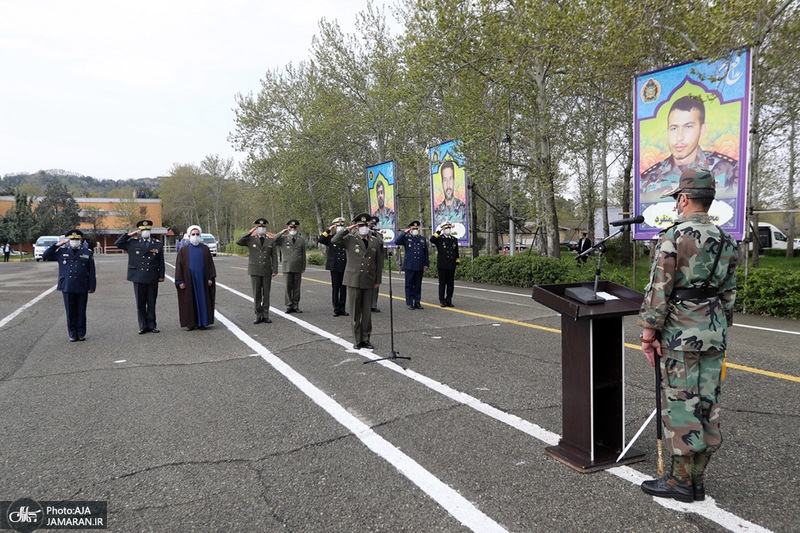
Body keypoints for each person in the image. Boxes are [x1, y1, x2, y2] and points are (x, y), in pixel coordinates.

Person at [638, 167, 738, 503]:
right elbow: (729, 295)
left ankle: (679, 483)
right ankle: (697, 480)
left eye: (677, 200)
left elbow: (659, 292)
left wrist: (648, 335)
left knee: (682, 403)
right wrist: (718, 329)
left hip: (680, 335)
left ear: (684, 198)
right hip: (714, 332)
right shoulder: (726, 240)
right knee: (708, 403)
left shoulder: (673, 237)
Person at [641, 96, 738, 202]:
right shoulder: (647, 179)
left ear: (702, 129)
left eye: (688, 127)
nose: (679, 137)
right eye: (674, 128)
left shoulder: (728, 170)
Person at [331, 213, 384, 350]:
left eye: (365, 225)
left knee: (367, 313)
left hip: (369, 279)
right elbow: (334, 240)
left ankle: (366, 338)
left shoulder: (374, 241)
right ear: (356, 227)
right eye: (360, 225)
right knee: (355, 312)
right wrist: (348, 229)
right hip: (354, 279)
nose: (363, 228)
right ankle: (357, 339)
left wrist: (378, 280)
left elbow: (379, 262)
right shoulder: (350, 239)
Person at [42, 229, 96, 341]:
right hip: (67, 285)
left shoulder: (87, 253)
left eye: (77, 239)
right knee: (70, 311)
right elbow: (46, 255)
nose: (74, 241)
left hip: (82, 285)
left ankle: (81, 333)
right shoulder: (62, 252)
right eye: (72, 239)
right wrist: (58, 244)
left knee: (81, 311)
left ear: (81, 240)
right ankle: (72, 333)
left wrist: (92, 286)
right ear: (68, 240)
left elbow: (91, 272)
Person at [115, 220, 165, 334]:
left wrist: (161, 275)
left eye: (147, 230)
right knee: (140, 303)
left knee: (152, 303)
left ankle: (152, 325)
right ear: (140, 231)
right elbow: (118, 243)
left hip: (152, 276)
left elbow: (161, 261)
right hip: (138, 277)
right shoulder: (133, 242)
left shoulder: (157, 244)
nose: (146, 232)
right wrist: (129, 235)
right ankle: (142, 326)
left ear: (150, 231)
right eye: (143, 230)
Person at [236, 217, 279, 324]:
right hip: (255, 270)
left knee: (266, 294)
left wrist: (275, 270)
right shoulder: (250, 239)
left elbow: (274, 256)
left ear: (266, 227)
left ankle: (265, 315)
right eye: (259, 226)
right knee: (257, 294)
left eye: (263, 226)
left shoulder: (270, 240)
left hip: (266, 270)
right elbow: (239, 241)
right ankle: (258, 315)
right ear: (256, 228)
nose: (261, 228)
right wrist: (250, 232)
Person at [174, 225, 216, 330]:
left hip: (202, 280)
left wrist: (210, 278)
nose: (195, 236)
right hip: (189, 280)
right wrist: (180, 281)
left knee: (203, 300)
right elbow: (179, 266)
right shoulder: (183, 250)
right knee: (189, 301)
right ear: (189, 236)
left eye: (197, 234)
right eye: (193, 234)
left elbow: (210, 264)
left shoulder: (205, 249)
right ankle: (190, 323)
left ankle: (202, 322)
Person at [317, 217, 348, 317]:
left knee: (343, 288)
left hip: (345, 265)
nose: (340, 227)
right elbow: (320, 239)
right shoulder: (330, 237)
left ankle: (342, 308)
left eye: (342, 225)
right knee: (335, 288)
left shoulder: (346, 237)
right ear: (335, 227)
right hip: (334, 266)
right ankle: (336, 309)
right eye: (338, 225)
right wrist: (328, 230)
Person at [395, 220, 429, 310]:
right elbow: (397, 242)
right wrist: (404, 233)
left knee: (418, 285)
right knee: (409, 285)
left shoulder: (422, 239)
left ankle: (417, 302)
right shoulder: (406, 238)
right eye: (413, 228)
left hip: (419, 265)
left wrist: (426, 264)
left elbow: (426, 253)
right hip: (409, 265)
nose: (415, 230)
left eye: (416, 228)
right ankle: (409, 302)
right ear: (410, 229)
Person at [275, 219, 306, 313]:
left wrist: (303, 266)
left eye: (294, 227)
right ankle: (289, 305)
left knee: (296, 287)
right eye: (291, 227)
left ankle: (296, 305)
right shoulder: (283, 239)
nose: (293, 229)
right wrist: (281, 232)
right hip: (287, 266)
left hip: (297, 266)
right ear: (288, 228)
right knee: (287, 287)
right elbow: (273, 240)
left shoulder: (301, 239)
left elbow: (303, 253)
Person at [430, 222, 459, 307]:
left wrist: (457, 262)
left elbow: (456, 252)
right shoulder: (439, 239)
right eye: (446, 228)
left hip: (451, 264)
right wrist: (438, 232)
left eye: (449, 228)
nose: (448, 230)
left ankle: (449, 300)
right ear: (443, 229)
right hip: (442, 265)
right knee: (442, 283)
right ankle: (442, 300)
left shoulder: (454, 239)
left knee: (450, 284)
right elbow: (432, 239)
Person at [434, 160, 467, 227]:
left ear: (454, 181)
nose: (448, 184)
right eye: (445, 180)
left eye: (450, 179)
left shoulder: (463, 208)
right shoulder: (437, 212)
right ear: (442, 184)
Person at [369, 216, 383, 313]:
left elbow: (381, 243)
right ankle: (364, 305)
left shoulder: (378, 235)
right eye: (371, 224)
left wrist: (374, 233)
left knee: (375, 285)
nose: (372, 225)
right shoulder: (363, 234)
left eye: (374, 224)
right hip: (365, 263)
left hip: (375, 263)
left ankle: (373, 304)